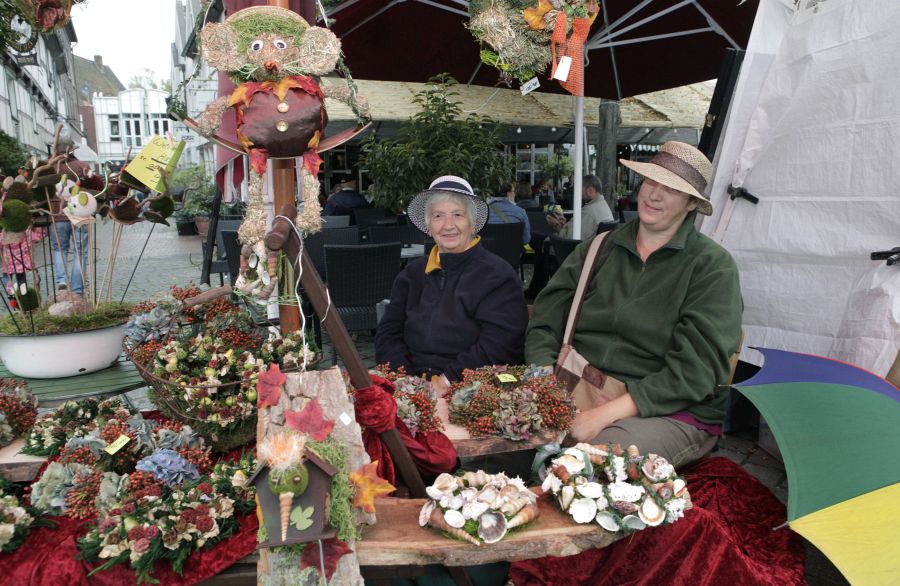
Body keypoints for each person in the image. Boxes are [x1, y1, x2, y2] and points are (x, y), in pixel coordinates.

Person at [526, 142, 742, 467]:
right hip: (578, 383)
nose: (654, 195)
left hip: (668, 410)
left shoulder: (712, 267)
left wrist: (601, 416)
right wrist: (545, 383)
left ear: (691, 204)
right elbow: (545, 320)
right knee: (492, 441)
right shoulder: (599, 248)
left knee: (585, 466)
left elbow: (695, 371)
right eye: (651, 181)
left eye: (671, 188)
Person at [375, 175, 528, 398]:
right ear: (429, 226)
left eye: (458, 214)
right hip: (410, 384)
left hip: (474, 389)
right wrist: (404, 380)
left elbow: (500, 343)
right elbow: (388, 332)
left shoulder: (498, 275)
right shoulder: (412, 273)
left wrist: (447, 380)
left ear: (472, 224)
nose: (448, 225)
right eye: (438, 216)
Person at [547, 174, 614, 240]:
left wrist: (556, 225)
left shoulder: (589, 212)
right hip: (596, 245)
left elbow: (569, 238)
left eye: (580, 189)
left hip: (579, 246)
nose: (579, 193)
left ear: (590, 190)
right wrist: (564, 225)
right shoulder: (603, 205)